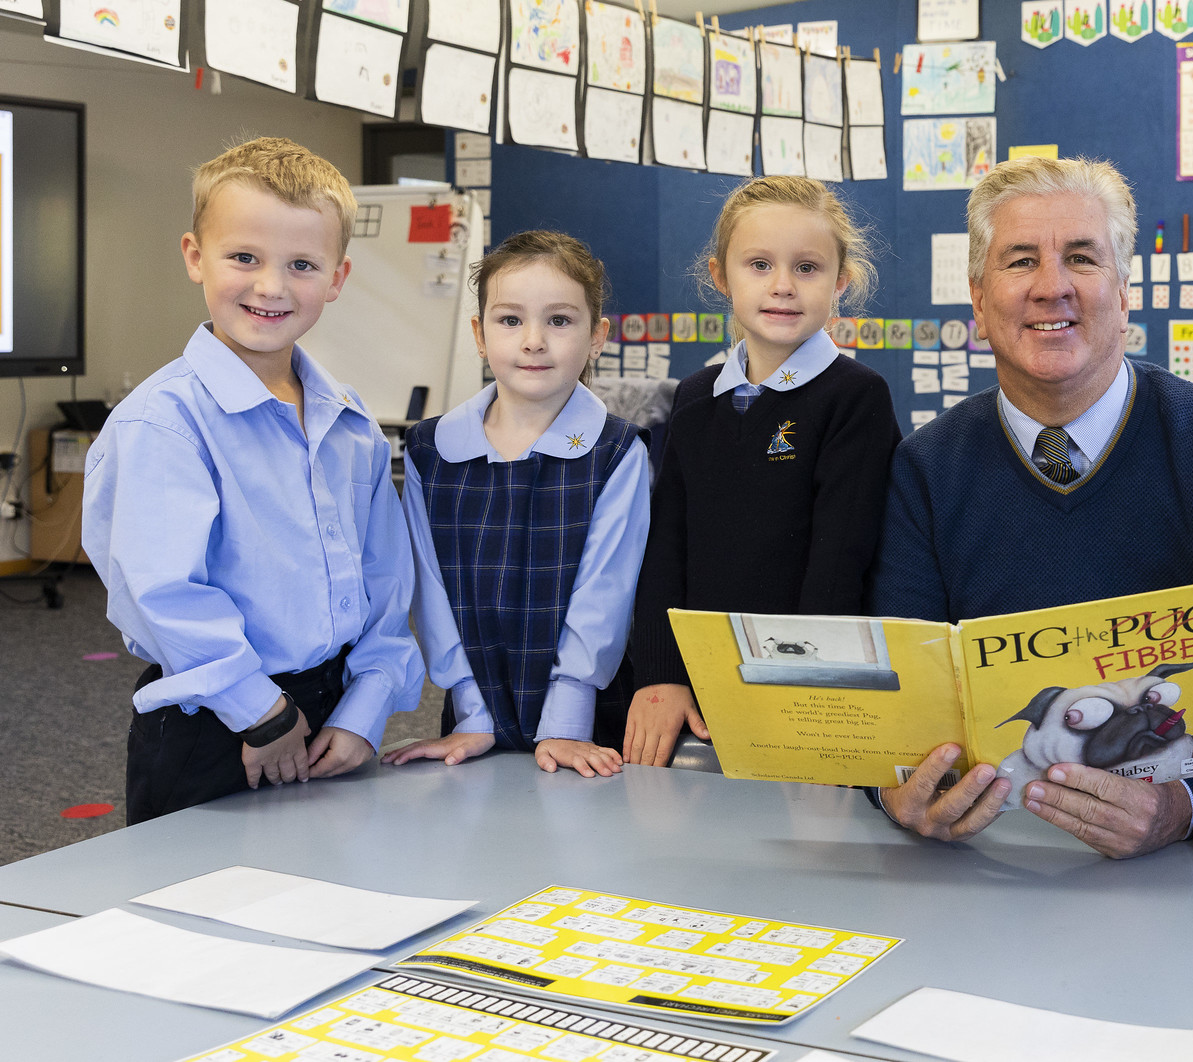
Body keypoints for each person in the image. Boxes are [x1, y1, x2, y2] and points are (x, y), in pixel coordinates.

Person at [871, 157, 1193, 857]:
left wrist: (1185, 805)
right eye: (1021, 260)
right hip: (983, 860)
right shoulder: (926, 467)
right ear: (978, 298)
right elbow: (900, 688)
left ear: (1123, 291)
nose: (1051, 287)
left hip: (1180, 876)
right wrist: (892, 789)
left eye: (1082, 258)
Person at [86, 138, 424, 824]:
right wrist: (262, 715)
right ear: (194, 257)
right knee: (204, 914)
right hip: (217, 719)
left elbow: (386, 584)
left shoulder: (349, 422)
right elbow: (163, 594)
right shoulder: (165, 422)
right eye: (244, 257)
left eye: (302, 264)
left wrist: (366, 707)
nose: (271, 286)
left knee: (333, 901)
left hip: (336, 716)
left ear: (337, 277)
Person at [624, 177, 898, 765]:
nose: (782, 286)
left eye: (807, 268)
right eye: (758, 264)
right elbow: (667, 543)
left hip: (805, 688)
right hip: (703, 681)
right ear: (720, 276)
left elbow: (839, 561)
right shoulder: (696, 397)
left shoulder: (856, 397)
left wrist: (802, 693)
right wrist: (661, 673)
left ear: (840, 283)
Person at [382, 231, 650, 778]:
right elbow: (429, 591)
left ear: (596, 336)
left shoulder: (617, 451)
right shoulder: (432, 450)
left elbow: (605, 595)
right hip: (469, 716)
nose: (534, 341)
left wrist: (566, 724)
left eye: (559, 320)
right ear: (479, 335)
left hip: (585, 722)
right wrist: (472, 711)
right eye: (510, 320)